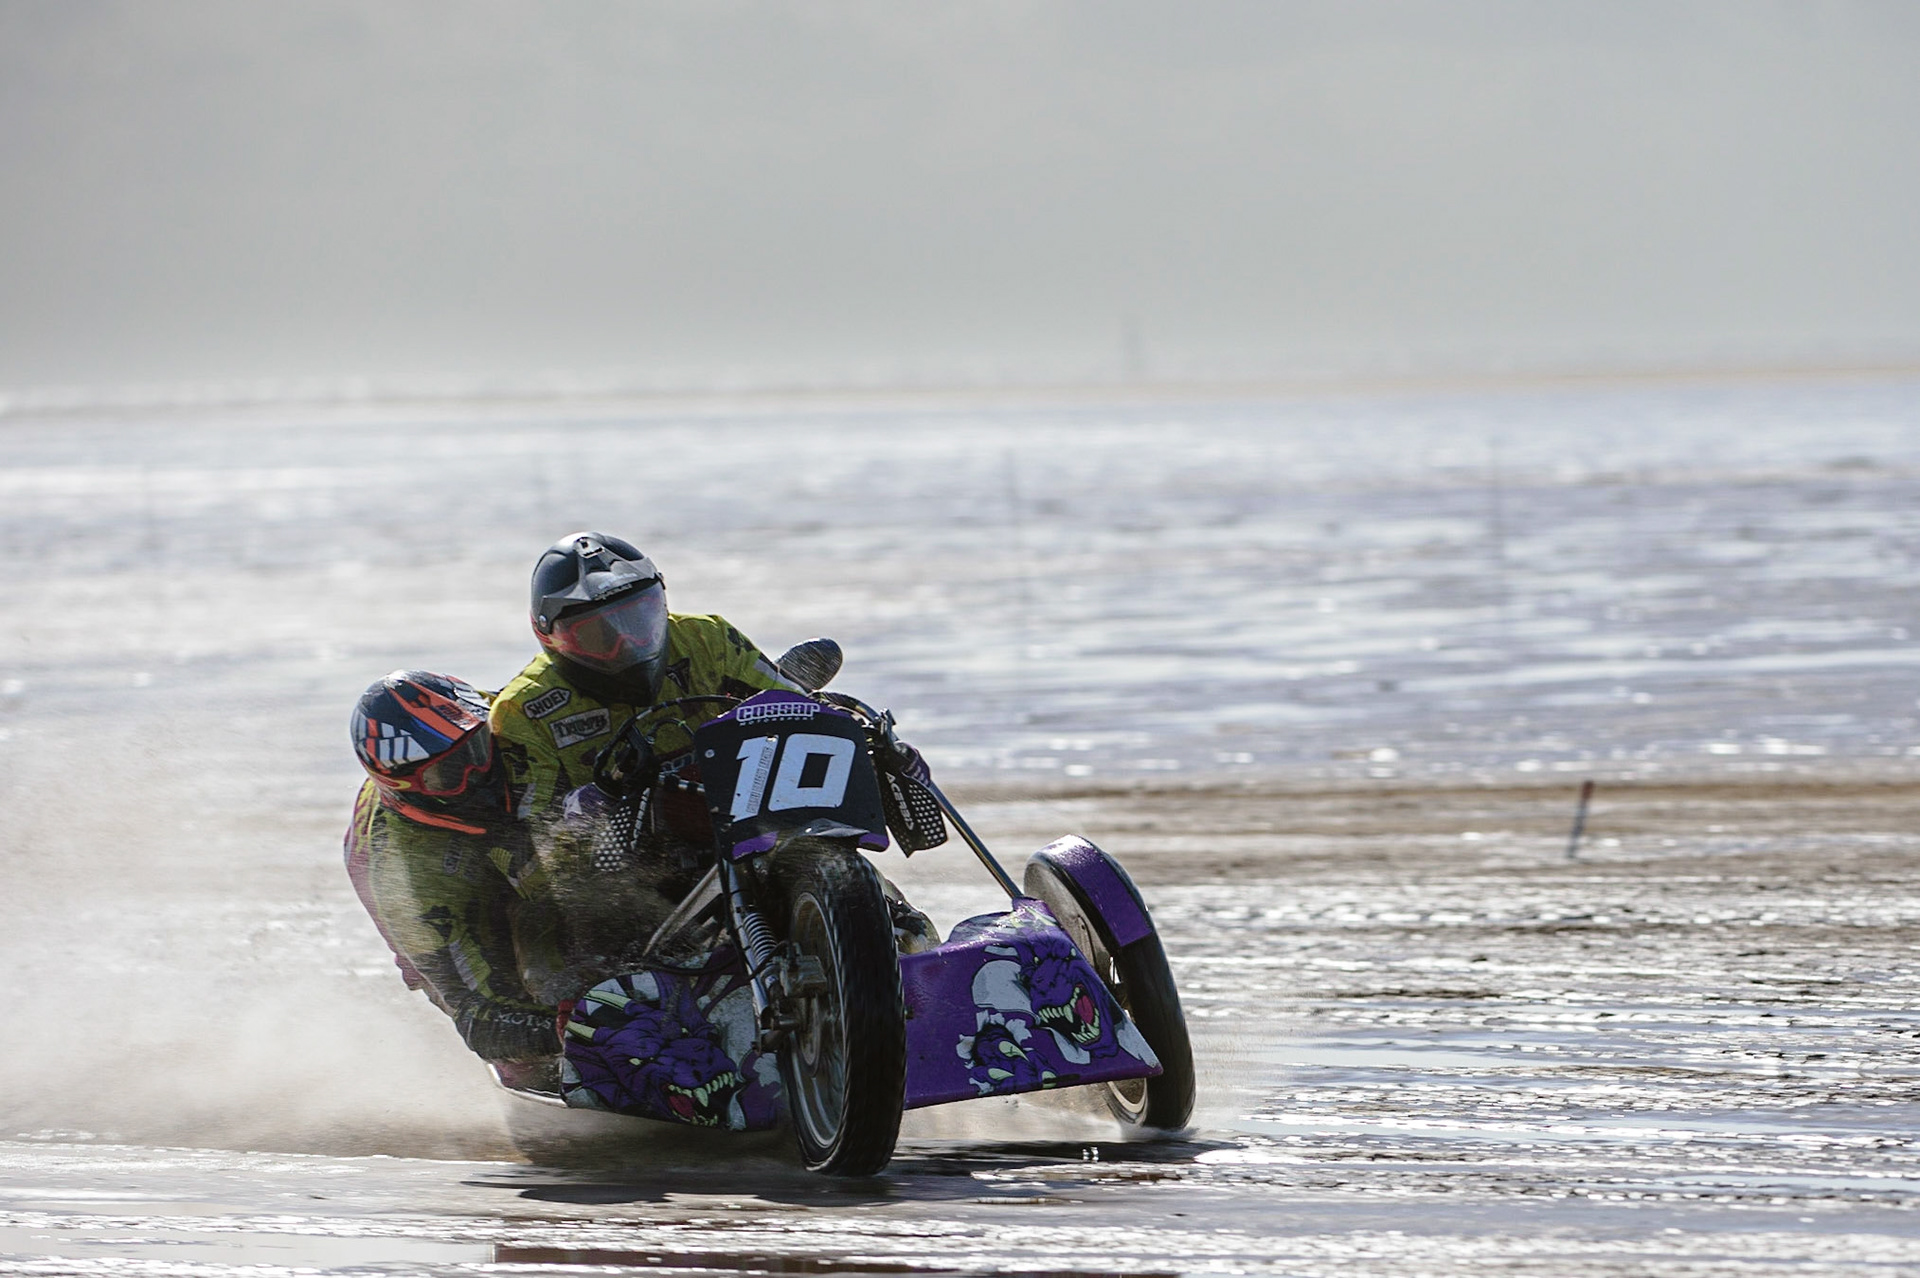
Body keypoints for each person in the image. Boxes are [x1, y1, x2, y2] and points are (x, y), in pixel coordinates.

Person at [491, 532, 938, 954]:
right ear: (549, 636)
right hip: (636, 871)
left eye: (640, 620)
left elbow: (791, 701)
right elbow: (535, 844)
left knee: (911, 930)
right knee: (593, 980)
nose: (627, 643)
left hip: (749, 814)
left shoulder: (707, 637)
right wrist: (588, 807)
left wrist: (864, 738)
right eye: (599, 635)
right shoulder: (523, 711)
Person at [344, 670, 569, 1073]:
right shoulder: (401, 877)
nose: (477, 774)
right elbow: (475, 1011)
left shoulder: (494, 713)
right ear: (405, 788)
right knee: (521, 1025)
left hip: (489, 839)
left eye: (478, 750)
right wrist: (569, 1028)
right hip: (434, 901)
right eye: (449, 774)